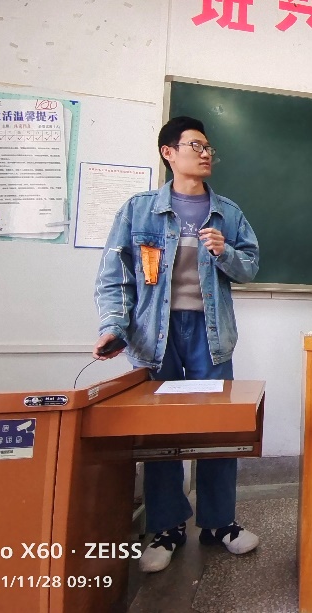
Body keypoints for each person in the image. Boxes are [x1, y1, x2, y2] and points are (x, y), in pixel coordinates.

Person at [93, 116, 260, 573]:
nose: (206, 154)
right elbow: (116, 277)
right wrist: (113, 326)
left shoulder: (227, 212)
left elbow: (250, 268)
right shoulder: (139, 210)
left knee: (218, 429)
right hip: (154, 335)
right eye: (196, 146)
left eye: (209, 148)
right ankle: (166, 527)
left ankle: (219, 523)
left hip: (210, 334)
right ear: (169, 152)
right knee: (160, 433)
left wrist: (224, 252)